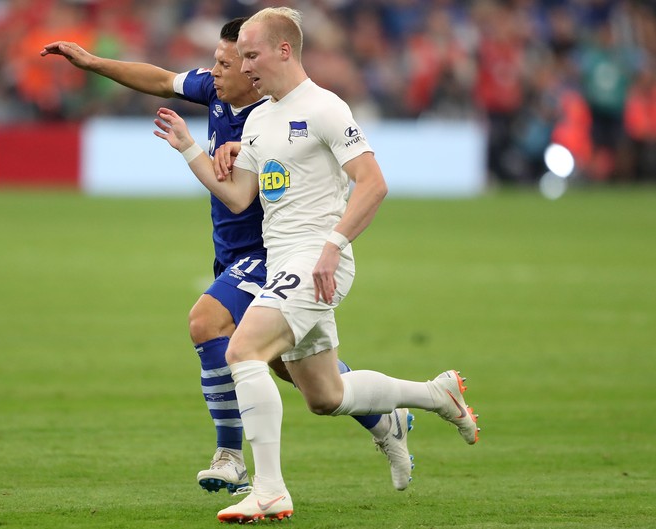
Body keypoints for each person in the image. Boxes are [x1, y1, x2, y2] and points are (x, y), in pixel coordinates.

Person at [41, 17, 415, 495]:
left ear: (253, 68)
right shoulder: (219, 92)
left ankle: (232, 456)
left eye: (227, 63)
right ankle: (386, 418)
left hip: (271, 252)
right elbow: (159, 79)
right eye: (216, 62)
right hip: (232, 253)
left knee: (207, 322)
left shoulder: (278, 111)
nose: (213, 72)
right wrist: (91, 62)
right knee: (296, 374)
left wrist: (330, 242)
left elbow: (276, 190)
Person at [153, 7, 479, 523]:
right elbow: (239, 197)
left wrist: (332, 245)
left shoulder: (325, 108)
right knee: (326, 395)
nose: (245, 65)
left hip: (316, 258)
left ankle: (267, 488)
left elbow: (373, 183)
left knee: (243, 350)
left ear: (285, 50)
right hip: (286, 261)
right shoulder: (259, 118)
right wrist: (191, 148)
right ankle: (436, 395)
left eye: (252, 55)